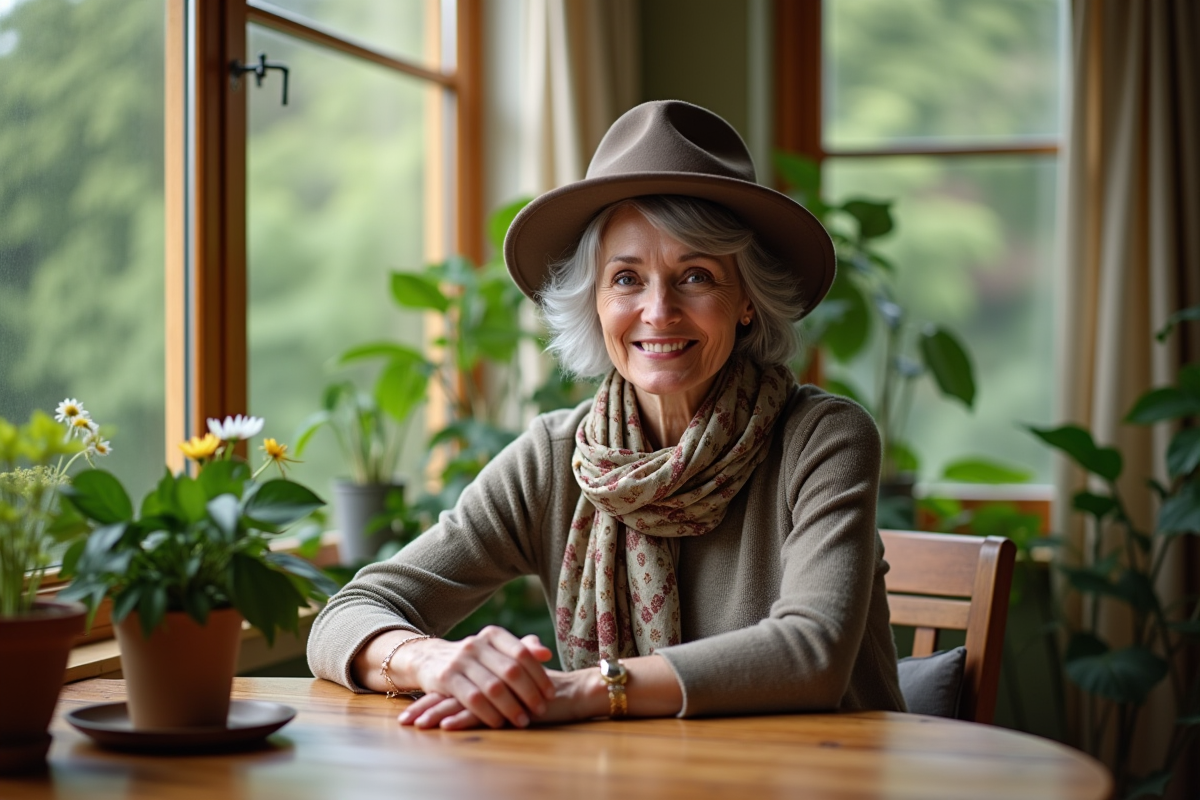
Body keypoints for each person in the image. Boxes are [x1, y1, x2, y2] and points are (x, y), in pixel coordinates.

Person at [307, 100, 905, 730]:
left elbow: (812, 654)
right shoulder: (555, 457)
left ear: (748, 301)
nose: (657, 310)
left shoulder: (824, 438)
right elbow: (351, 612)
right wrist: (433, 661)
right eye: (626, 279)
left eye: (695, 275)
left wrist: (587, 689)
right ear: (594, 303)